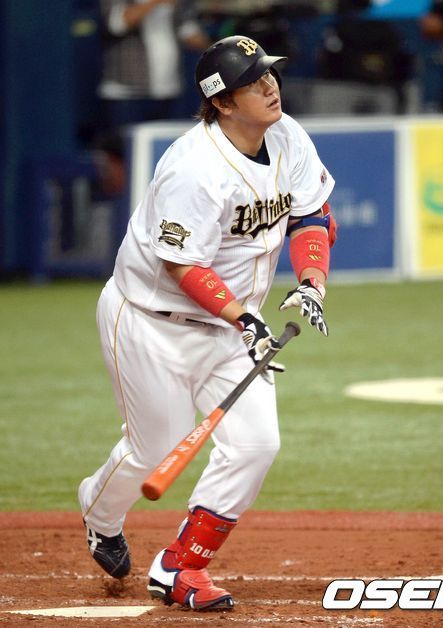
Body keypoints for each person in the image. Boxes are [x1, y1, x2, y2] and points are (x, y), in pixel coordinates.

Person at [78, 35, 337, 611]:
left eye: (269, 73)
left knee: (256, 444)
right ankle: (100, 513)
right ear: (221, 102)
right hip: (150, 321)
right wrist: (242, 315)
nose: (269, 86)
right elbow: (182, 265)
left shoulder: (288, 136)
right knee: (154, 451)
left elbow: (311, 216)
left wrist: (311, 281)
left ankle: (181, 565)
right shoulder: (193, 169)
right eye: (252, 81)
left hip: (231, 325)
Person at [98, 0, 210, 128]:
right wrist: (155, 2)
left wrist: (217, 47)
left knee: (170, 139)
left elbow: (187, 30)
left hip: (169, 90)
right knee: (129, 140)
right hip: (126, 94)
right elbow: (116, 24)